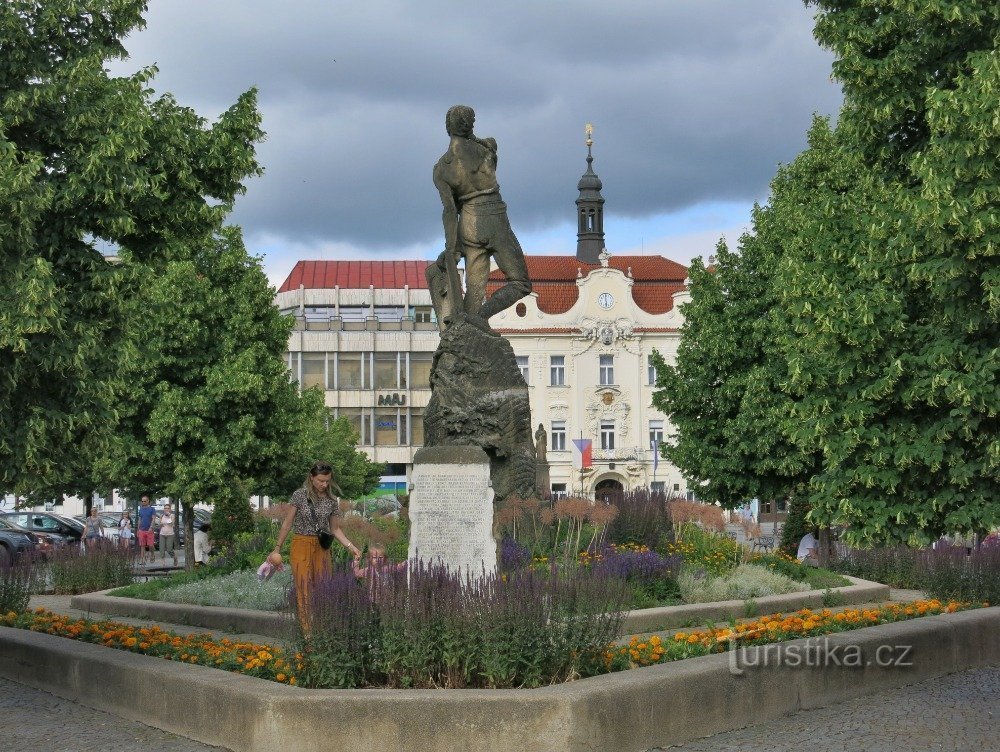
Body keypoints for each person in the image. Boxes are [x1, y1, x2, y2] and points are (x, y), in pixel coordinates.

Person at [426, 105, 531, 328]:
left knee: (474, 291)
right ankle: (481, 317)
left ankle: (469, 325)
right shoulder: (487, 148)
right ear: (471, 125)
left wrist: (452, 248)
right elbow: (488, 148)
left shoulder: (441, 168)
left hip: (468, 223)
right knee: (520, 283)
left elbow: (450, 211)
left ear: (448, 127)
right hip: (493, 217)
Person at [270, 462, 362, 624]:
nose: (324, 484)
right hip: (301, 544)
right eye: (321, 480)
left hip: (321, 547)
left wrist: (351, 546)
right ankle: (307, 632)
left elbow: (335, 529)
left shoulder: (331, 501)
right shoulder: (299, 495)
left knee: (322, 587)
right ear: (311, 478)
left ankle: (321, 627)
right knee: (303, 588)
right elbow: (287, 523)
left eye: (327, 481)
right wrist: (277, 548)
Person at [136, 496, 156, 565]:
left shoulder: (152, 509)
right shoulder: (141, 509)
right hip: (142, 530)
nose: (143, 502)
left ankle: (152, 554)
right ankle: (142, 560)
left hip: (149, 530)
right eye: (142, 501)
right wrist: (138, 529)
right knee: (142, 546)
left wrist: (151, 527)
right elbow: (139, 520)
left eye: (144, 501)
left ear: (148, 501)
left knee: (150, 545)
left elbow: (153, 519)